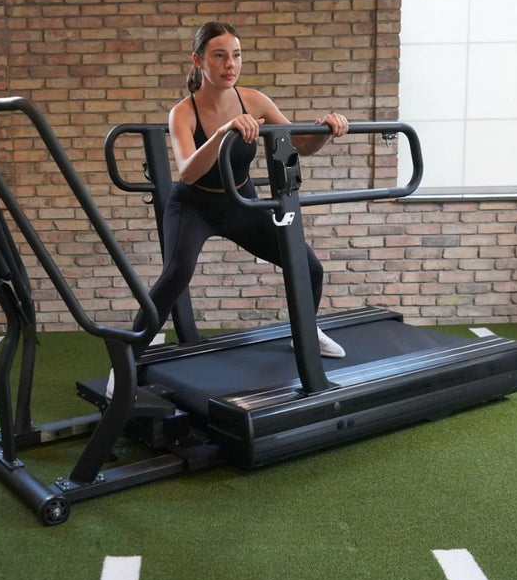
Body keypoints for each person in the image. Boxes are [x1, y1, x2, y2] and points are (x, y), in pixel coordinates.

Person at [109, 20, 349, 396]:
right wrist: (223, 133)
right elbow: (187, 172)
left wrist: (327, 130)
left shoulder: (254, 101)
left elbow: (299, 145)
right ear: (199, 61)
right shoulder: (183, 113)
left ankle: (305, 331)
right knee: (176, 275)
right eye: (219, 56)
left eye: (235, 56)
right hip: (193, 205)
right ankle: (124, 363)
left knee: (308, 265)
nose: (229, 64)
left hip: (241, 201)